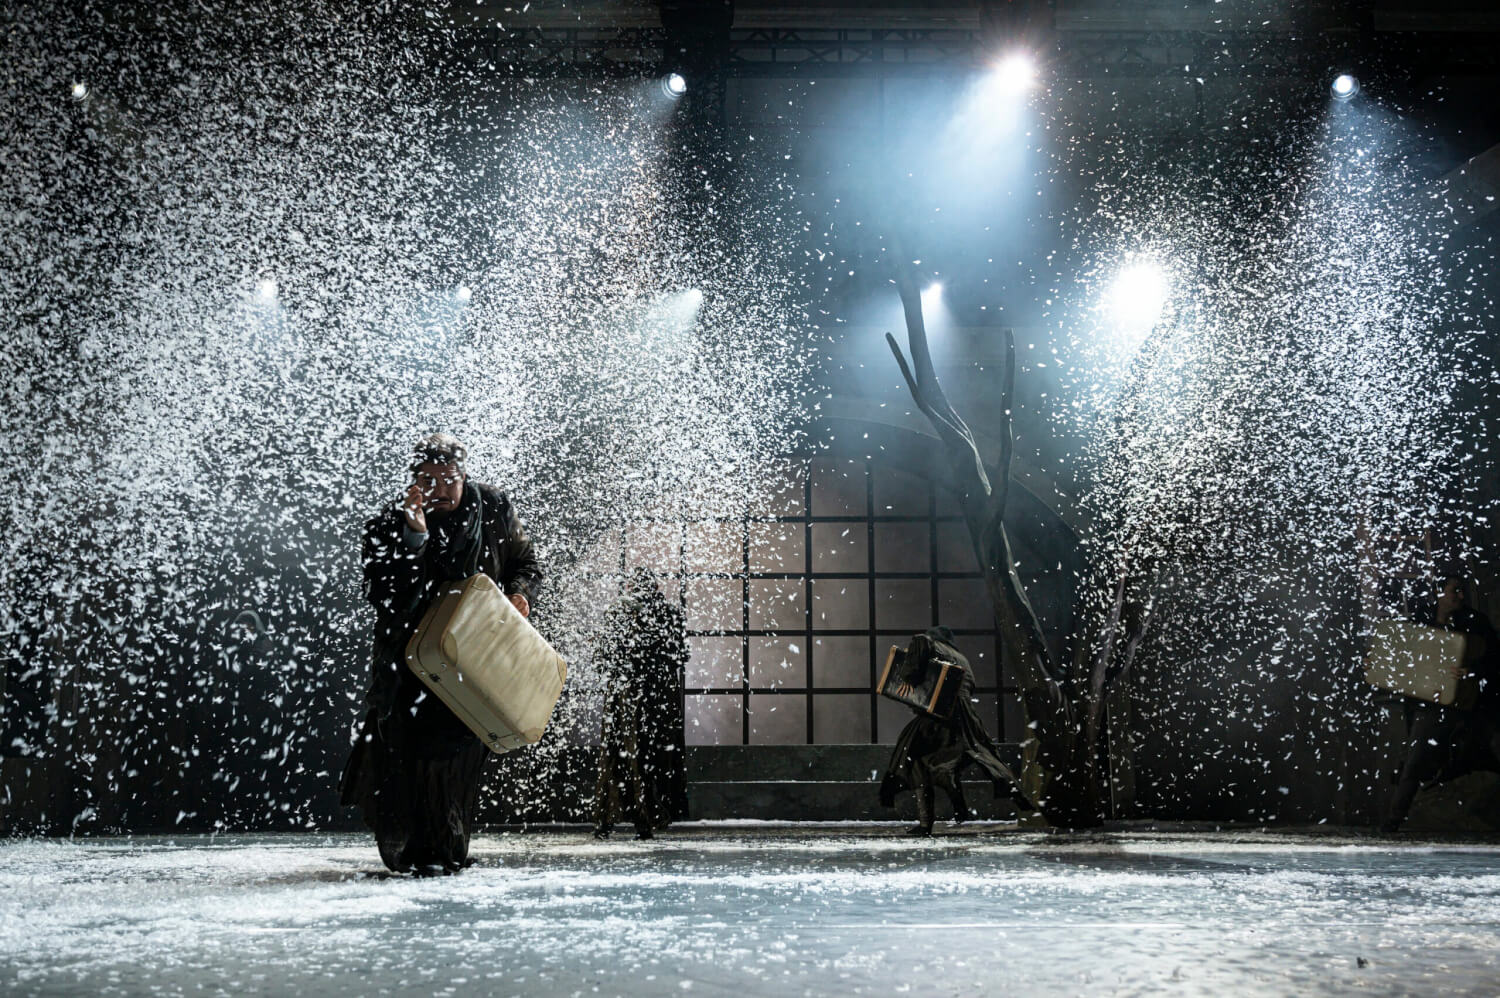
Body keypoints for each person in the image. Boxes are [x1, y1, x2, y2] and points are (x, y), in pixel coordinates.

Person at [339, 433, 543, 873]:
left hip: (475, 662)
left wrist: (520, 594)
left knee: (454, 760)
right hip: (410, 665)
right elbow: (383, 595)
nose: (440, 491)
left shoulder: (493, 509)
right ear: (414, 482)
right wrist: (415, 538)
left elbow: (525, 563)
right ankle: (420, 853)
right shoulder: (390, 523)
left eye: (448, 479)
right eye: (428, 481)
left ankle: (445, 851)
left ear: (463, 475)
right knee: (410, 758)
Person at [879, 626, 1026, 835]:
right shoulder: (962, 658)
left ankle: (928, 819)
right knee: (972, 753)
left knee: (914, 757)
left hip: (938, 715)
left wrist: (906, 680)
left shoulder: (926, 642)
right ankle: (952, 800)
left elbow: (912, 671)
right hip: (964, 716)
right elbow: (970, 686)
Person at [1382, 575, 1500, 832]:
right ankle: (1393, 822)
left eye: (1461, 591)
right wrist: (1381, 667)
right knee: (1414, 764)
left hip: (1471, 706)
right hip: (1431, 707)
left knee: (1482, 757)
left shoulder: (1475, 623)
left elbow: (1495, 658)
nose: (1459, 596)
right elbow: (1404, 659)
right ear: (1438, 593)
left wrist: (1472, 671)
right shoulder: (1421, 621)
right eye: (1453, 591)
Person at [592, 567, 689, 839]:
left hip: (624, 692)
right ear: (656, 588)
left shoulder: (617, 611)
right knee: (653, 755)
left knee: (616, 754)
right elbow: (681, 655)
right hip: (658, 695)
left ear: (632, 588)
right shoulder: (669, 613)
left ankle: (605, 821)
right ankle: (648, 820)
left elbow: (602, 658)